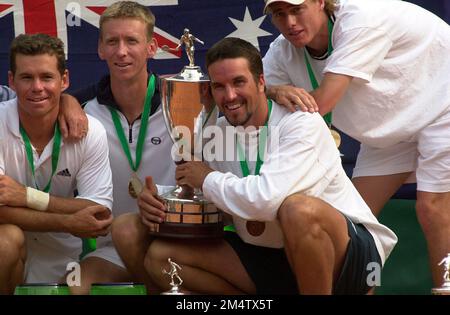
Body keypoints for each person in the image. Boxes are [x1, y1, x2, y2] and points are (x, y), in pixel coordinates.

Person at [140, 37, 397, 294]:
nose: (230, 96)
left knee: (298, 210)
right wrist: (163, 203)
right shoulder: (213, 134)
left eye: (239, 82)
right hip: (270, 252)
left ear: (262, 82)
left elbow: (265, 200)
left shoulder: (301, 123)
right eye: (219, 86)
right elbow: (214, 203)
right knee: (162, 257)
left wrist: (206, 178)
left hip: (352, 258)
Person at [262, 0, 450, 287]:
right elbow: (256, 96)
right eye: (279, 14)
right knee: (355, 225)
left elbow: (322, 102)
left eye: (297, 10)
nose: (289, 22)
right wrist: (273, 90)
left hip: (443, 101)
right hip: (391, 128)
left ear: (320, 2)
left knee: (432, 207)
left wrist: (273, 94)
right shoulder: (280, 51)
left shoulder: (360, 20)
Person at [64, 1, 176, 294]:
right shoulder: (83, 111)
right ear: (100, 49)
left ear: (152, 47)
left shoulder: (180, 104)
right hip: (111, 247)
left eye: (132, 41)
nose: (121, 51)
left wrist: (274, 90)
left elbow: (240, 94)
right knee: (75, 285)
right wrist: (66, 100)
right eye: (112, 41)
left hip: (174, 242)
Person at [0, 33, 113, 294]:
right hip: (10, 247)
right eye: (26, 77)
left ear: (64, 80)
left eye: (47, 77)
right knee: (6, 241)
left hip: (66, 257)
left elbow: (98, 212)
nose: (37, 87)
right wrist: (67, 221)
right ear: (11, 81)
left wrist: (25, 196)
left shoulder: (90, 130)